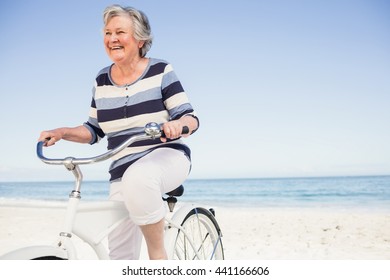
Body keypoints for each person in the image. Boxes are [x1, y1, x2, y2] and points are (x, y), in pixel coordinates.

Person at [38, 5, 199, 260]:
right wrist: (62, 132)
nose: (112, 38)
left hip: (166, 156)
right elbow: (94, 129)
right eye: (108, 32)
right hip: (121, 170)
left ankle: (158, 258)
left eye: (120, 32)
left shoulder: (161, 71)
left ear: (140, 39)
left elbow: (189, 117)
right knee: (120, 256)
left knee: (139, 178)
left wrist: (179, 125)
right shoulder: (101, 79)